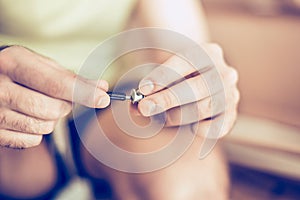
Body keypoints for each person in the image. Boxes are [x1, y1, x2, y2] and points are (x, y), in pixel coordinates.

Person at [0, 0, 239, 199]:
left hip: (102, 112)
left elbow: (184, 49)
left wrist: (200, 86)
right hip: (10, 108)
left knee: (185, 183)